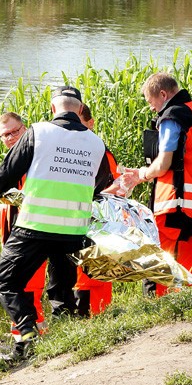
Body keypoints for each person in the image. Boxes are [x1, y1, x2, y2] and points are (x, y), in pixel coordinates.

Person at [0, 86, 110, 358]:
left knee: (5, 280)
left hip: (34, 226)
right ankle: (64, 345)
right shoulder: (96, 143)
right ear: (80, 109)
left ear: (53, 108)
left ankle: (28, 331)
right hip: (72, 230)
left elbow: (4, 176)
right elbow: (102, 185)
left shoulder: (39, 132)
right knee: (62, 290)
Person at [124, 72, 192, 297]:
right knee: (189, 270)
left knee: (157, 262)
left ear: (163, 94)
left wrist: (140, 174)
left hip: (176, 203)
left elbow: (164, 163)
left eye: (151, 102)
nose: (151, 108)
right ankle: (189, 309)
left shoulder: (172, 116)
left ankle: (155, 314)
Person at [0, 112, 48, 338]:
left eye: (15, 132)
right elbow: (5, 204)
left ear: (25, 129)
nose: (10, 138)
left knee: (28, 292)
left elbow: (22, 199)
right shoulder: (13, 166)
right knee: (16, 292)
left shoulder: (34, 163)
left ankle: (33, 344)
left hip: (31, 238)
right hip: (13, 240)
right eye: (4, 135)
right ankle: (23, 341)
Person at [74, 104, 115, 315]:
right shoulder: (68, 152)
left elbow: (115, 191)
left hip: (96, 232)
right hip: (74, 229)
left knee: (94, 286)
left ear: (91, 124)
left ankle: (100, 321)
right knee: (79, 285)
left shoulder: (102, 153)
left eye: (79, 124)